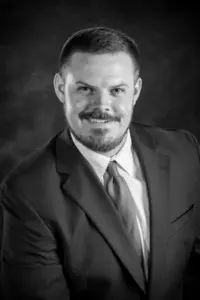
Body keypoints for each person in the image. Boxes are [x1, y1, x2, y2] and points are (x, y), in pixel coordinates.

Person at [0, 26, 200, 300]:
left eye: (117, 89)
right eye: (85, 89)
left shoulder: (184, 151)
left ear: (136, 91)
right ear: (61, 88)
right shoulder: (26, 193)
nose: (102, 106)